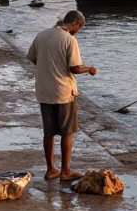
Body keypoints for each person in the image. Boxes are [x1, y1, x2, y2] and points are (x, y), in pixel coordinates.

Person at [26, 10, 96, 182]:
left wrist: (48, 67)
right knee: (67, 132)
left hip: (44, 90)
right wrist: (90, 69)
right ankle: (65, 171)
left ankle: (51, 169)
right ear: (75, 25)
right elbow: (75, 68)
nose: (78, 29)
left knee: (48, 132)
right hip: (63, 92)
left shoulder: (41, 35)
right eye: (80, 26)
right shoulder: (69, 39)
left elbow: (32, 58)